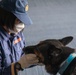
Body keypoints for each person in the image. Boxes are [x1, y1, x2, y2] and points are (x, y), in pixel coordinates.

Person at [0, 0, 39, 75]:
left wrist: (39, 57)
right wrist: (19, 66)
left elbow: (21, 55)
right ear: (7, 17)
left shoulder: (16, 32)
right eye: (19, 20)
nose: (22, 25)